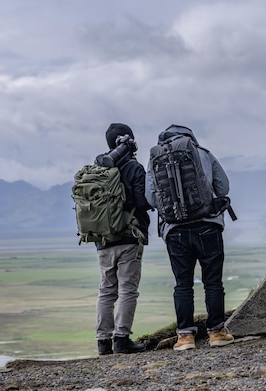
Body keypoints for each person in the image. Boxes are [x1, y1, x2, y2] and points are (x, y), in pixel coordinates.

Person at [145, 124, 234, 351]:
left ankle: (185, 337)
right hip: (208, 227)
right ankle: (216, 333)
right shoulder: (202, 152)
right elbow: (223, 187)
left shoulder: (155, 159)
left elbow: (151, 198)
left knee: (182, 284)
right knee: (212, 281)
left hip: (175, 231)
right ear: (189, 137)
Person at [94, 123, 152, 355]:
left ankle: (102, 342)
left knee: (106, 290)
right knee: (128, 289)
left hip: (103, 240)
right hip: (129, 237)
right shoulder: (134, 168)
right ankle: (121, 339)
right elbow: (142, 202)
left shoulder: (98, 168)